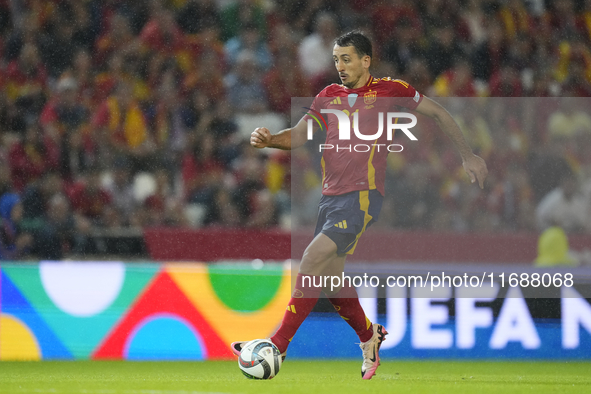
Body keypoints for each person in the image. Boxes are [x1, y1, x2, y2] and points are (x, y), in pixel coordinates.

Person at [231, 31, 488, 380]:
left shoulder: (389, 90)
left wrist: (468, 155)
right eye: (336, 59)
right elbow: (301, 134)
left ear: (366, 60)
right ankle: (370, 336)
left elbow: (438, 113)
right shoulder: (327, 97)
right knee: (331, 279)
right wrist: (270, 140)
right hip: (330, 199)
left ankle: (277, 344)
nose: (340, 66)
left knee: (311, 258)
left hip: (363, 197)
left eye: (347, 58)